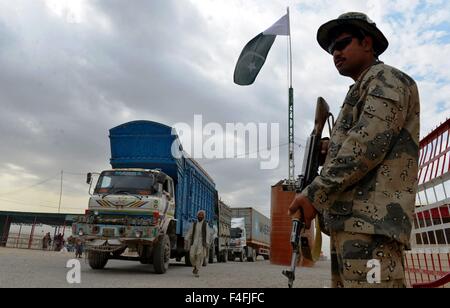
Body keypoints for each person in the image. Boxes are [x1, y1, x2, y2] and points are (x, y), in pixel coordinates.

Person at [289, 12, 420, 288]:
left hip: (371, 227)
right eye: (330, 49)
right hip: (352, 225)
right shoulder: (361, 88)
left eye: (343, 43)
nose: (335, 52)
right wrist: (327, 150)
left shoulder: (386, 79)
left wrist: (315, 193)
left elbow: (366, 145)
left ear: (367, 43)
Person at [185, 210, 210, 278]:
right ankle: (195, 266)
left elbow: (207, 234)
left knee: (199, 256)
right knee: (191, 255)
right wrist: (186, 238)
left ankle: (197, 270)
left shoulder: (206, 224)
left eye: (202, 215)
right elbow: (190, 232)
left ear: (204, 216)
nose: (200, 216)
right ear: (197, 216)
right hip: (195, 241)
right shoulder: (194, 224)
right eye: (199, 215)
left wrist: (207, 243)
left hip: (202, 242)